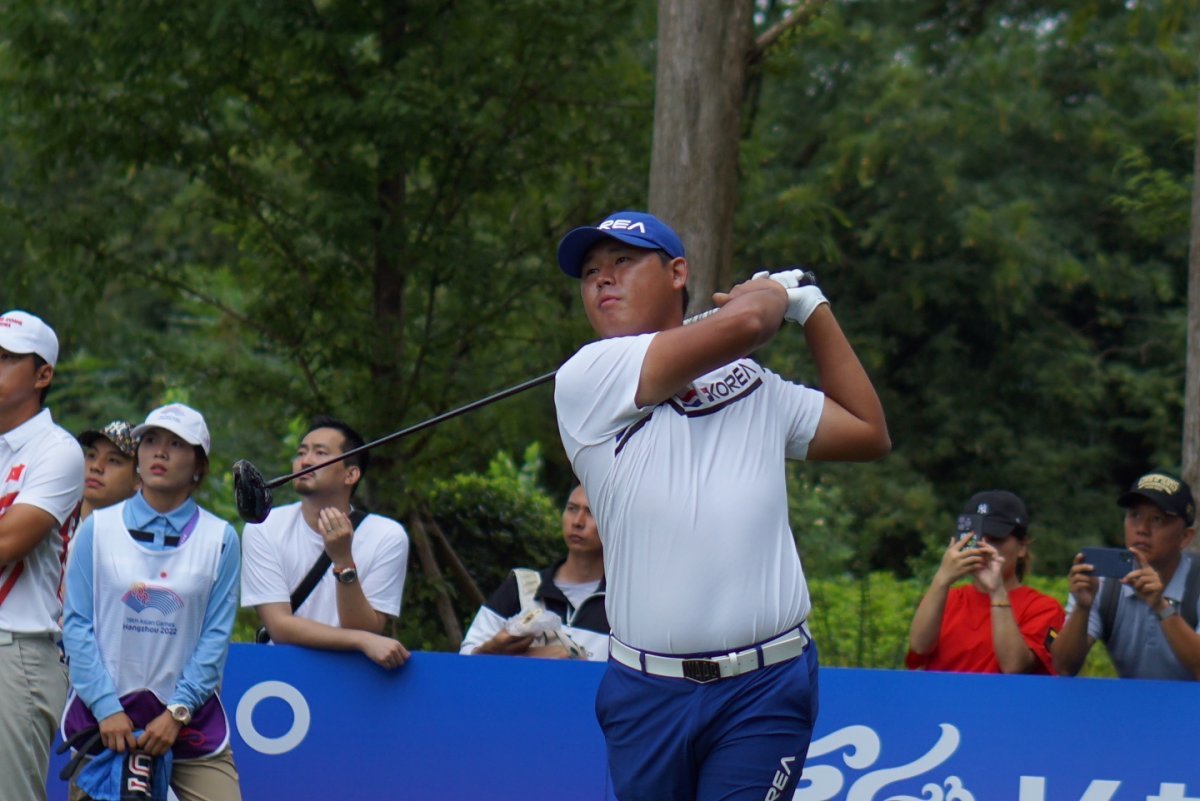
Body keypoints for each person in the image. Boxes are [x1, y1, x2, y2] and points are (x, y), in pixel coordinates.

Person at [553, 211, 890, 801]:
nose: (603, 280)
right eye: (590, 273)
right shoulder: (588, 375)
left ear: (678, 272)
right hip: (646, 692)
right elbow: (751, 321)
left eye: (622, 263)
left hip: (764, 688)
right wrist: (773, 292)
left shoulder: (751, 383)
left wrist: (811, 309)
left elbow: (867, 431)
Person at [61, 402, 243, 799]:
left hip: (188, 719)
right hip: (104, 719)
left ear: (198, 465)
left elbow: (215, 638)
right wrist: (107, 708)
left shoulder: (221, 538)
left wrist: (177, 713)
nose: (160, 451)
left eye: (176, 444)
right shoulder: (98, 529)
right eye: (151, 441)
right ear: (139, 458)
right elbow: (76, 624)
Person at [241, 415, 411, 669]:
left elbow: (365, 628)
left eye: (320, 453)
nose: (305, 461)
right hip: (280, 672)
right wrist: (361, 640)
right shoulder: (265, 527)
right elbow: (280, 627)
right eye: (301, 453)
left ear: (351, 474)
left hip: (353, 676)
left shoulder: (387, 535)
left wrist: (343, 560)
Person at [0, 310, 84, 801]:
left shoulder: (59, 450)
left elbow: (8, 544)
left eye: (7, 358)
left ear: (42, 374)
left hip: (15, 650)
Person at [1051, 471, 1200, 680]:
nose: (1142, 529)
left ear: (1185, 537)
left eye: (1157, 519)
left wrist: (1161, 607)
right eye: (1134, 515)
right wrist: (1082, 608)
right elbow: (1064, 667)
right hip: (1132, 706)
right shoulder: (1103, 581)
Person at [906, 490, 1064, 674]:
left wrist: (997, 590)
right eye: (976, 538)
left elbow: (1014, 666)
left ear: (1022, 547)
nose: (984, 547)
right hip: (942, 701)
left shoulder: (1043, 608)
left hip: (999, 702)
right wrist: (941, 579)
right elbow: (919, 647)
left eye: (995, 539)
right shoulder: (946, 598)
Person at [460, 484, 609, 661]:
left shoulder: (622, 605)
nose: (577, 521)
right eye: (571, 509)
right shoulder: (522, 586)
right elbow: (465, 658)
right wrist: (492, 651)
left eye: (591, 512)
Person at [77, 420, 139, 522]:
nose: (96, 466)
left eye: (113, 460)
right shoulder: (55, 515)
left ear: (139, 479)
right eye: (92, 455)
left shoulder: (138, 535)